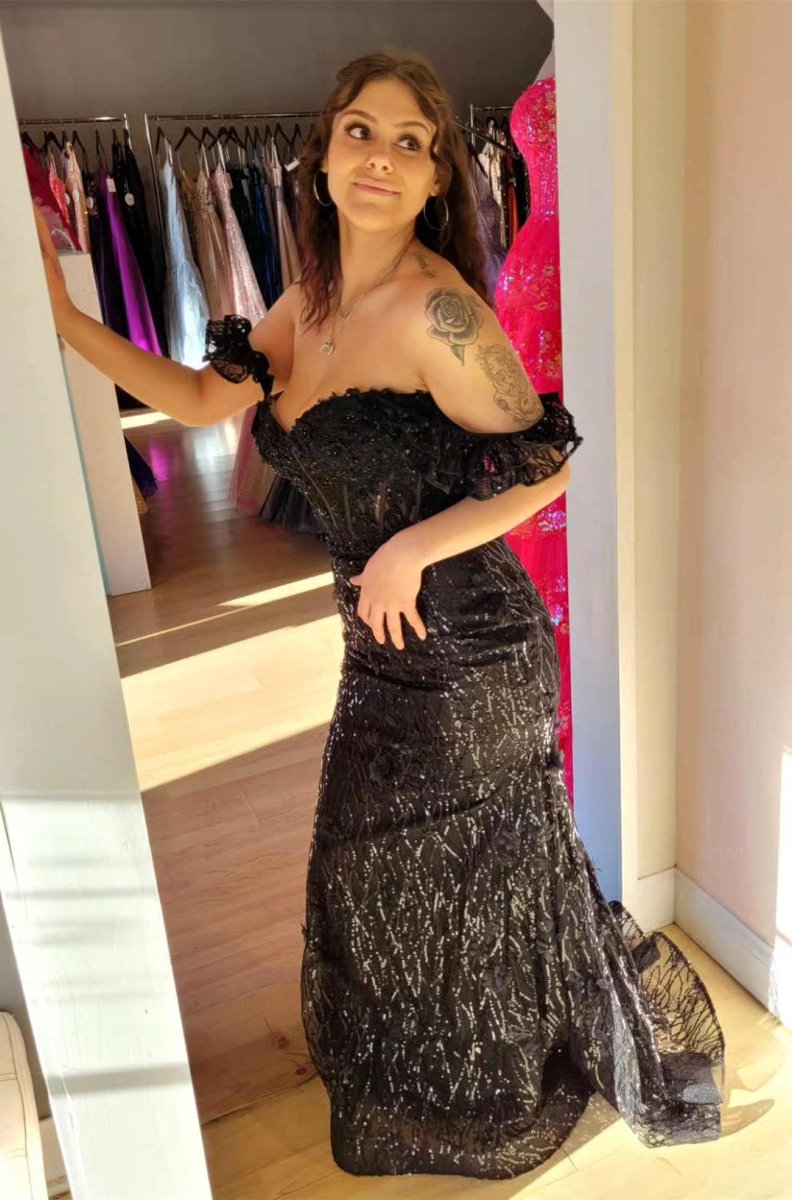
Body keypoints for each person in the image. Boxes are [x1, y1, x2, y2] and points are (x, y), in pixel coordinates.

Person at [36, 49, 725, 1182]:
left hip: (473, 650)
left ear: (436, 176)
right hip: (378, 645)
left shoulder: (437, 312)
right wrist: (62, 317)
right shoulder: (303, 303)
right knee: (369, 868)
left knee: (468, 873)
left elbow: (545, 465)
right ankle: (427, 1066)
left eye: (413, 142)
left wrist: (411, 545)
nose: (383, 157)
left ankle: (495, 1081)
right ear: (322, 152)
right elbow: (201, 397)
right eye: (363, 130)